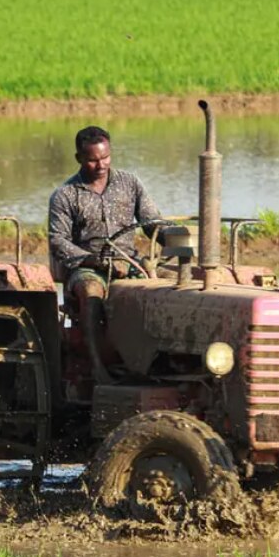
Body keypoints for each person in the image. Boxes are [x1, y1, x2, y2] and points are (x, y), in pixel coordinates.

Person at [48, 126, 167, 384]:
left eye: (105, 157)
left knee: (165, 290)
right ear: (79, 158)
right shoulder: (65, 195)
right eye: (92, 159)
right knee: (91, 293)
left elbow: (152, 222)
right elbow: (58, 241)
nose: (100, 165)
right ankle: (98, 368)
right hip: (87, 267)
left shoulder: (130, 183)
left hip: (129, 261)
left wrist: (174, 238)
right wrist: (94, 260)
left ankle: (155, 365)